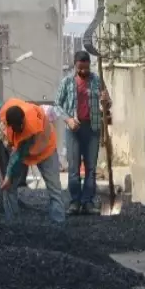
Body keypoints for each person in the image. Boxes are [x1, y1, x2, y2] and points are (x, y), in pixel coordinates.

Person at [0, 98, 65, 224]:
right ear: (7, 124)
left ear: (23, 119)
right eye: (16, 127)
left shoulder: (30, 128)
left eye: (21, 124)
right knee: (9, 189)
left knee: (55, 190)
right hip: (24, 151)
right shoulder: (6, 110)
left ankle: (58, 226)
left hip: (45, 149)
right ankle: (13, 224)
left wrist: (8, 177)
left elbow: (17, 157)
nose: (20, 127)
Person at [55, 51, 112, 215]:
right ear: (75, 65)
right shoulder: (67, 82)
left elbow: (108, 104)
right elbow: (57, 105)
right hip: (74, 129)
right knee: (73, 168)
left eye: (86, 68)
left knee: (91, 168)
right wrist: (68, 120)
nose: (84, 72)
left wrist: (105, 101)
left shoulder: (97, 81)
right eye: (80, 68)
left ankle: (87, 202)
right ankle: (75, 202)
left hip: (92, 128)